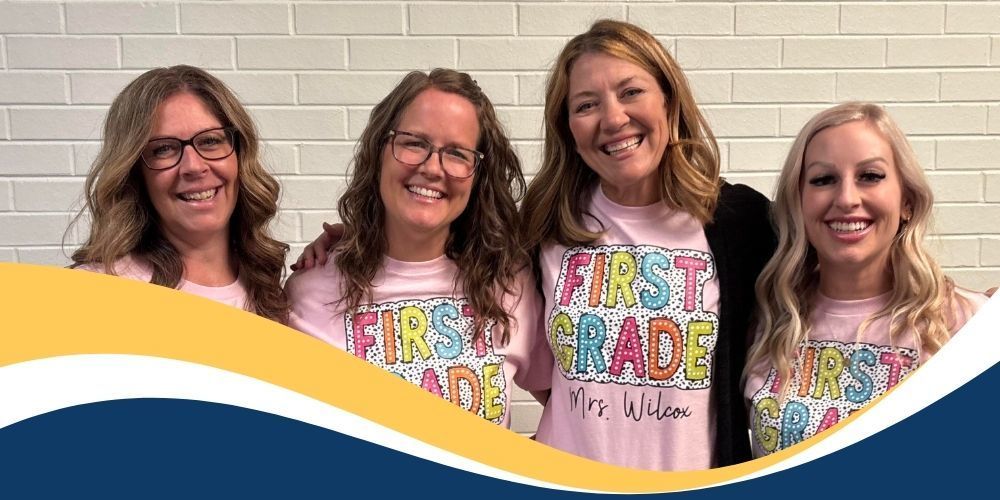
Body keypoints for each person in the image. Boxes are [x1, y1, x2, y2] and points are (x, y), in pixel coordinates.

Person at [516, 20, 775, 470]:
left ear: (669, 102)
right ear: (569, 130)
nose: (613, 118)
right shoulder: (545, 222)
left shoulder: (741, 222)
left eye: (631, 92)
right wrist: (353, 240)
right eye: (586, 105)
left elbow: (836, 261)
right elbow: (451, 250)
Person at [284, 69, 551, 427]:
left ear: (478, 175)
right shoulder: (310, 291)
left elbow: (575, 413)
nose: (431, 168)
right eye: (413, 143)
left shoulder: (508, 281)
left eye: (456, 153)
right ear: (381, 150)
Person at [743, 102, 988, 456]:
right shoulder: (766, 323)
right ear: (799, 203)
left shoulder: (968, 324)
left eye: (870, 176)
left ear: (907, 200)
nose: (846, 198)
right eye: (823, 179)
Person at [70, 65, 289, 323]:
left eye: (210, 141)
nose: (194, 167)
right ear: (135, 173)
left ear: (240, 155)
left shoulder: (266, 286)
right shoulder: (99, 293)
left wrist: (336, 249)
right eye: (164, 149)